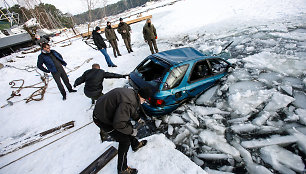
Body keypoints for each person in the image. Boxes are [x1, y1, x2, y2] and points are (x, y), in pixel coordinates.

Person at [93, 87, 153, 174]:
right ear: (142, 97)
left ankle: (135, 145)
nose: (144, 102)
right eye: (145, 100)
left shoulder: (132, 94)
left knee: (127, 126)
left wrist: (138, 118)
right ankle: (122, 169)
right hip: (102, 119)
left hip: (108, 111)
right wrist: (132, 131)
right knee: (124, 141)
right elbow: (118, 124)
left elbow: (130, 109)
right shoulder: (128, 102)